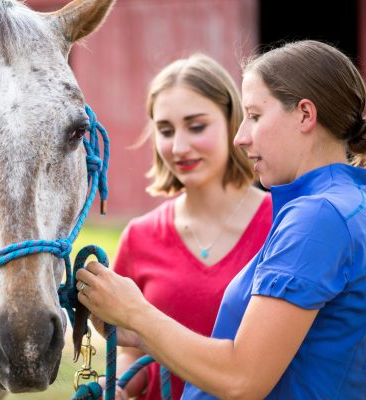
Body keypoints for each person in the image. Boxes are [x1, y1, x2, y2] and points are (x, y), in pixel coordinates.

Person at [77, 40, 366, 399]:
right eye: (165, 130)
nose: (242, 137)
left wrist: (136, 313)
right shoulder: (346, 201)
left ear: (306, 115)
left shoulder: (317, 216)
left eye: (256, 116)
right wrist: (141, 339)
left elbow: (242, 378)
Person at [104, 54, 272, 400]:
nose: (179, 147)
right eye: (165, 131)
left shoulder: (283, 223)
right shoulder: (139, 236)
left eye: (196, 127)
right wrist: (117, 387)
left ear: (232, 122)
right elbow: (133, 352)